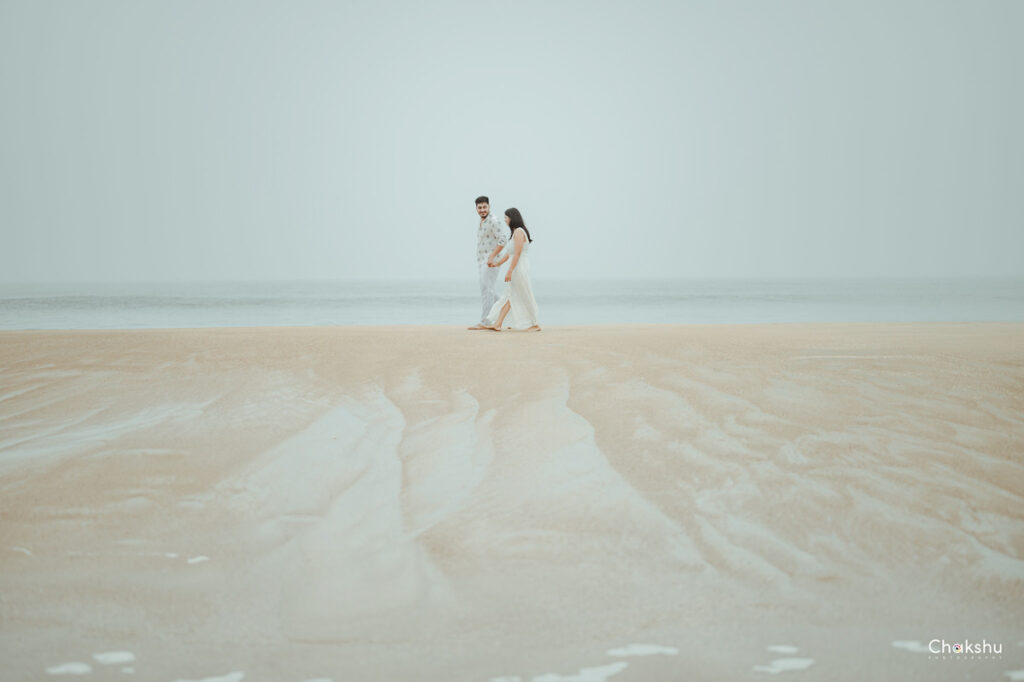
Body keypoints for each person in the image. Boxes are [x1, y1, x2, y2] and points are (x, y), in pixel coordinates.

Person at [484, 208, 541, 332]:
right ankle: (498, 323)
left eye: (506, 217)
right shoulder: (515, 233)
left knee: (522, 293)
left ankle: (535, 323)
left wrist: (510, 270)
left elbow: (518, 253)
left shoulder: (519, 232)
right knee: (511, 295)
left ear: (512, 218)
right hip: (516, 266)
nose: (505, 220)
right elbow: (509, 254)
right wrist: (497, 263)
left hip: (520, 267)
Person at [468, 196, 508, 330]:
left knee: (487, 291)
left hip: (490, 261)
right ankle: (508, 307)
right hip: (482, 261)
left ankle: (485, 321)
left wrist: (491, 257)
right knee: (489, 291)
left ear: (489, 206)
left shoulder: (493, 221)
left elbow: (503, 239)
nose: (482, 210)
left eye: (485, 207)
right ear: (476, 209)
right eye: (479, 208)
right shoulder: (482, 222)